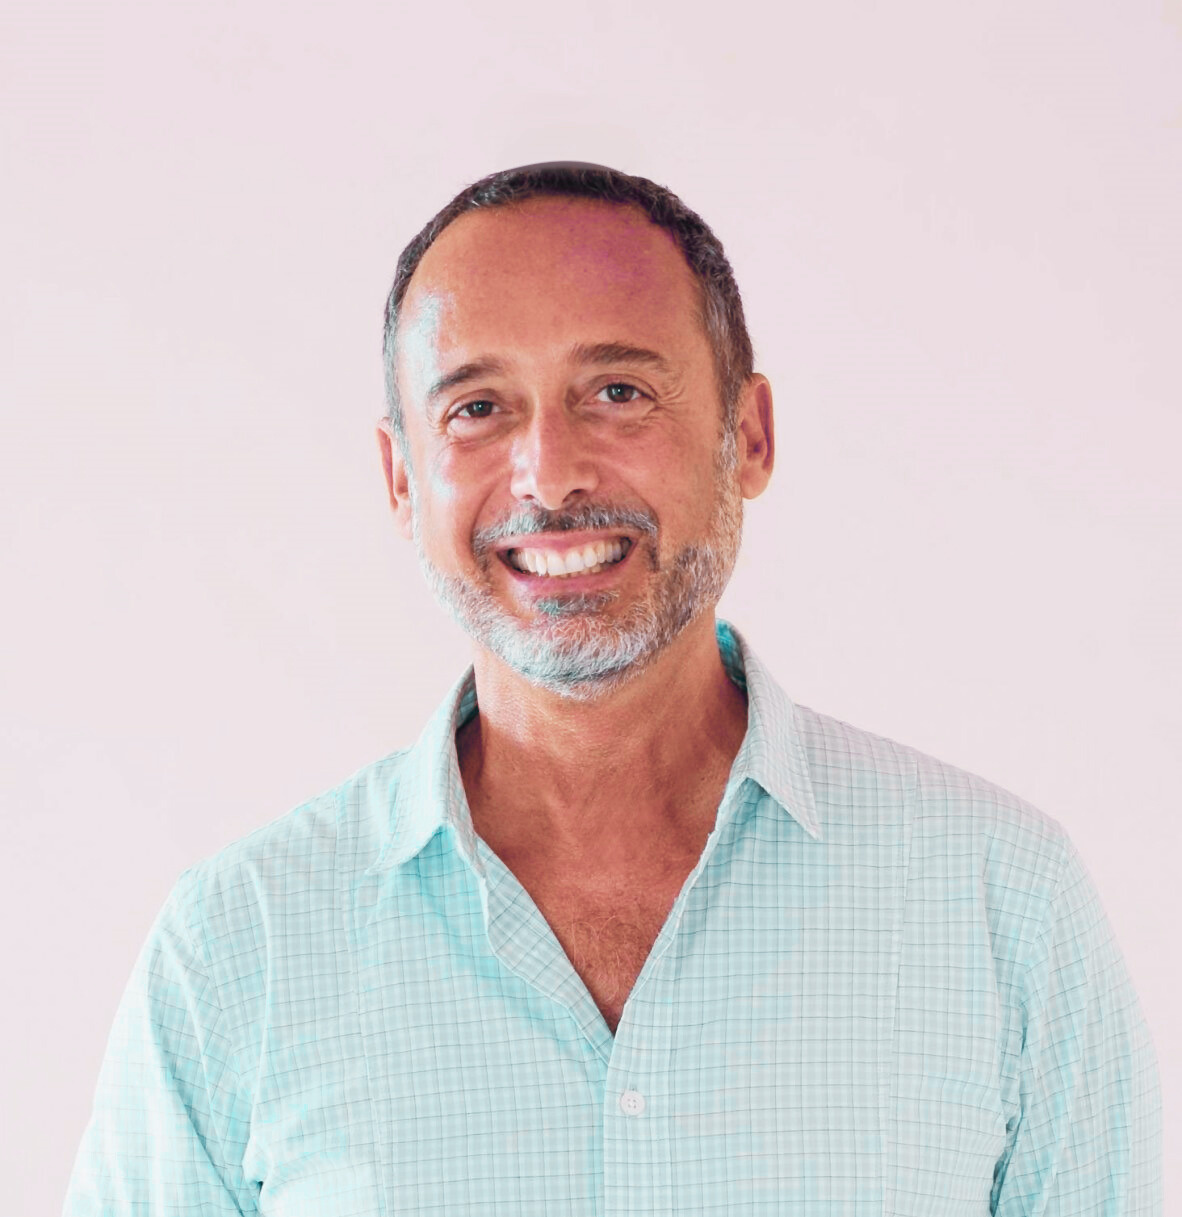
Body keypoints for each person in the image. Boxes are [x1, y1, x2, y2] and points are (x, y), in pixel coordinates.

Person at [64, 162, 1162, 1215]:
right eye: (476, 408)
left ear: (748, 436)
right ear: (401, 479)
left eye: (619, 391)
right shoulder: (238, 947)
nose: (550, 474)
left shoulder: (1001, 905)